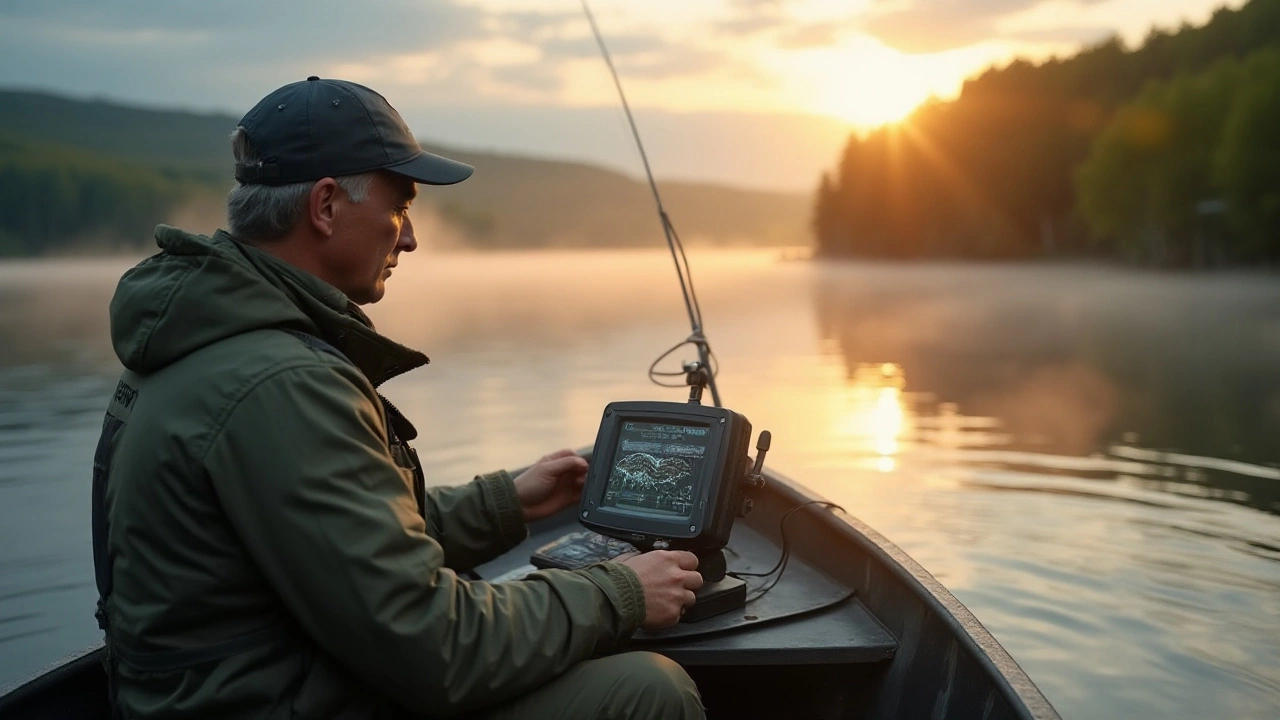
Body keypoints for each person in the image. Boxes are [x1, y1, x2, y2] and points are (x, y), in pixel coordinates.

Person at [91, 76, 706, 719]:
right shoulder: (284, 383)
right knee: (647, 691)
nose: (408, 238)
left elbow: (336, 548)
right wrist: (621, 593)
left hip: (237, 693)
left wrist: (504, 504)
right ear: (326, 206)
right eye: (399, 207)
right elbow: (438, 647)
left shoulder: (201, 339)